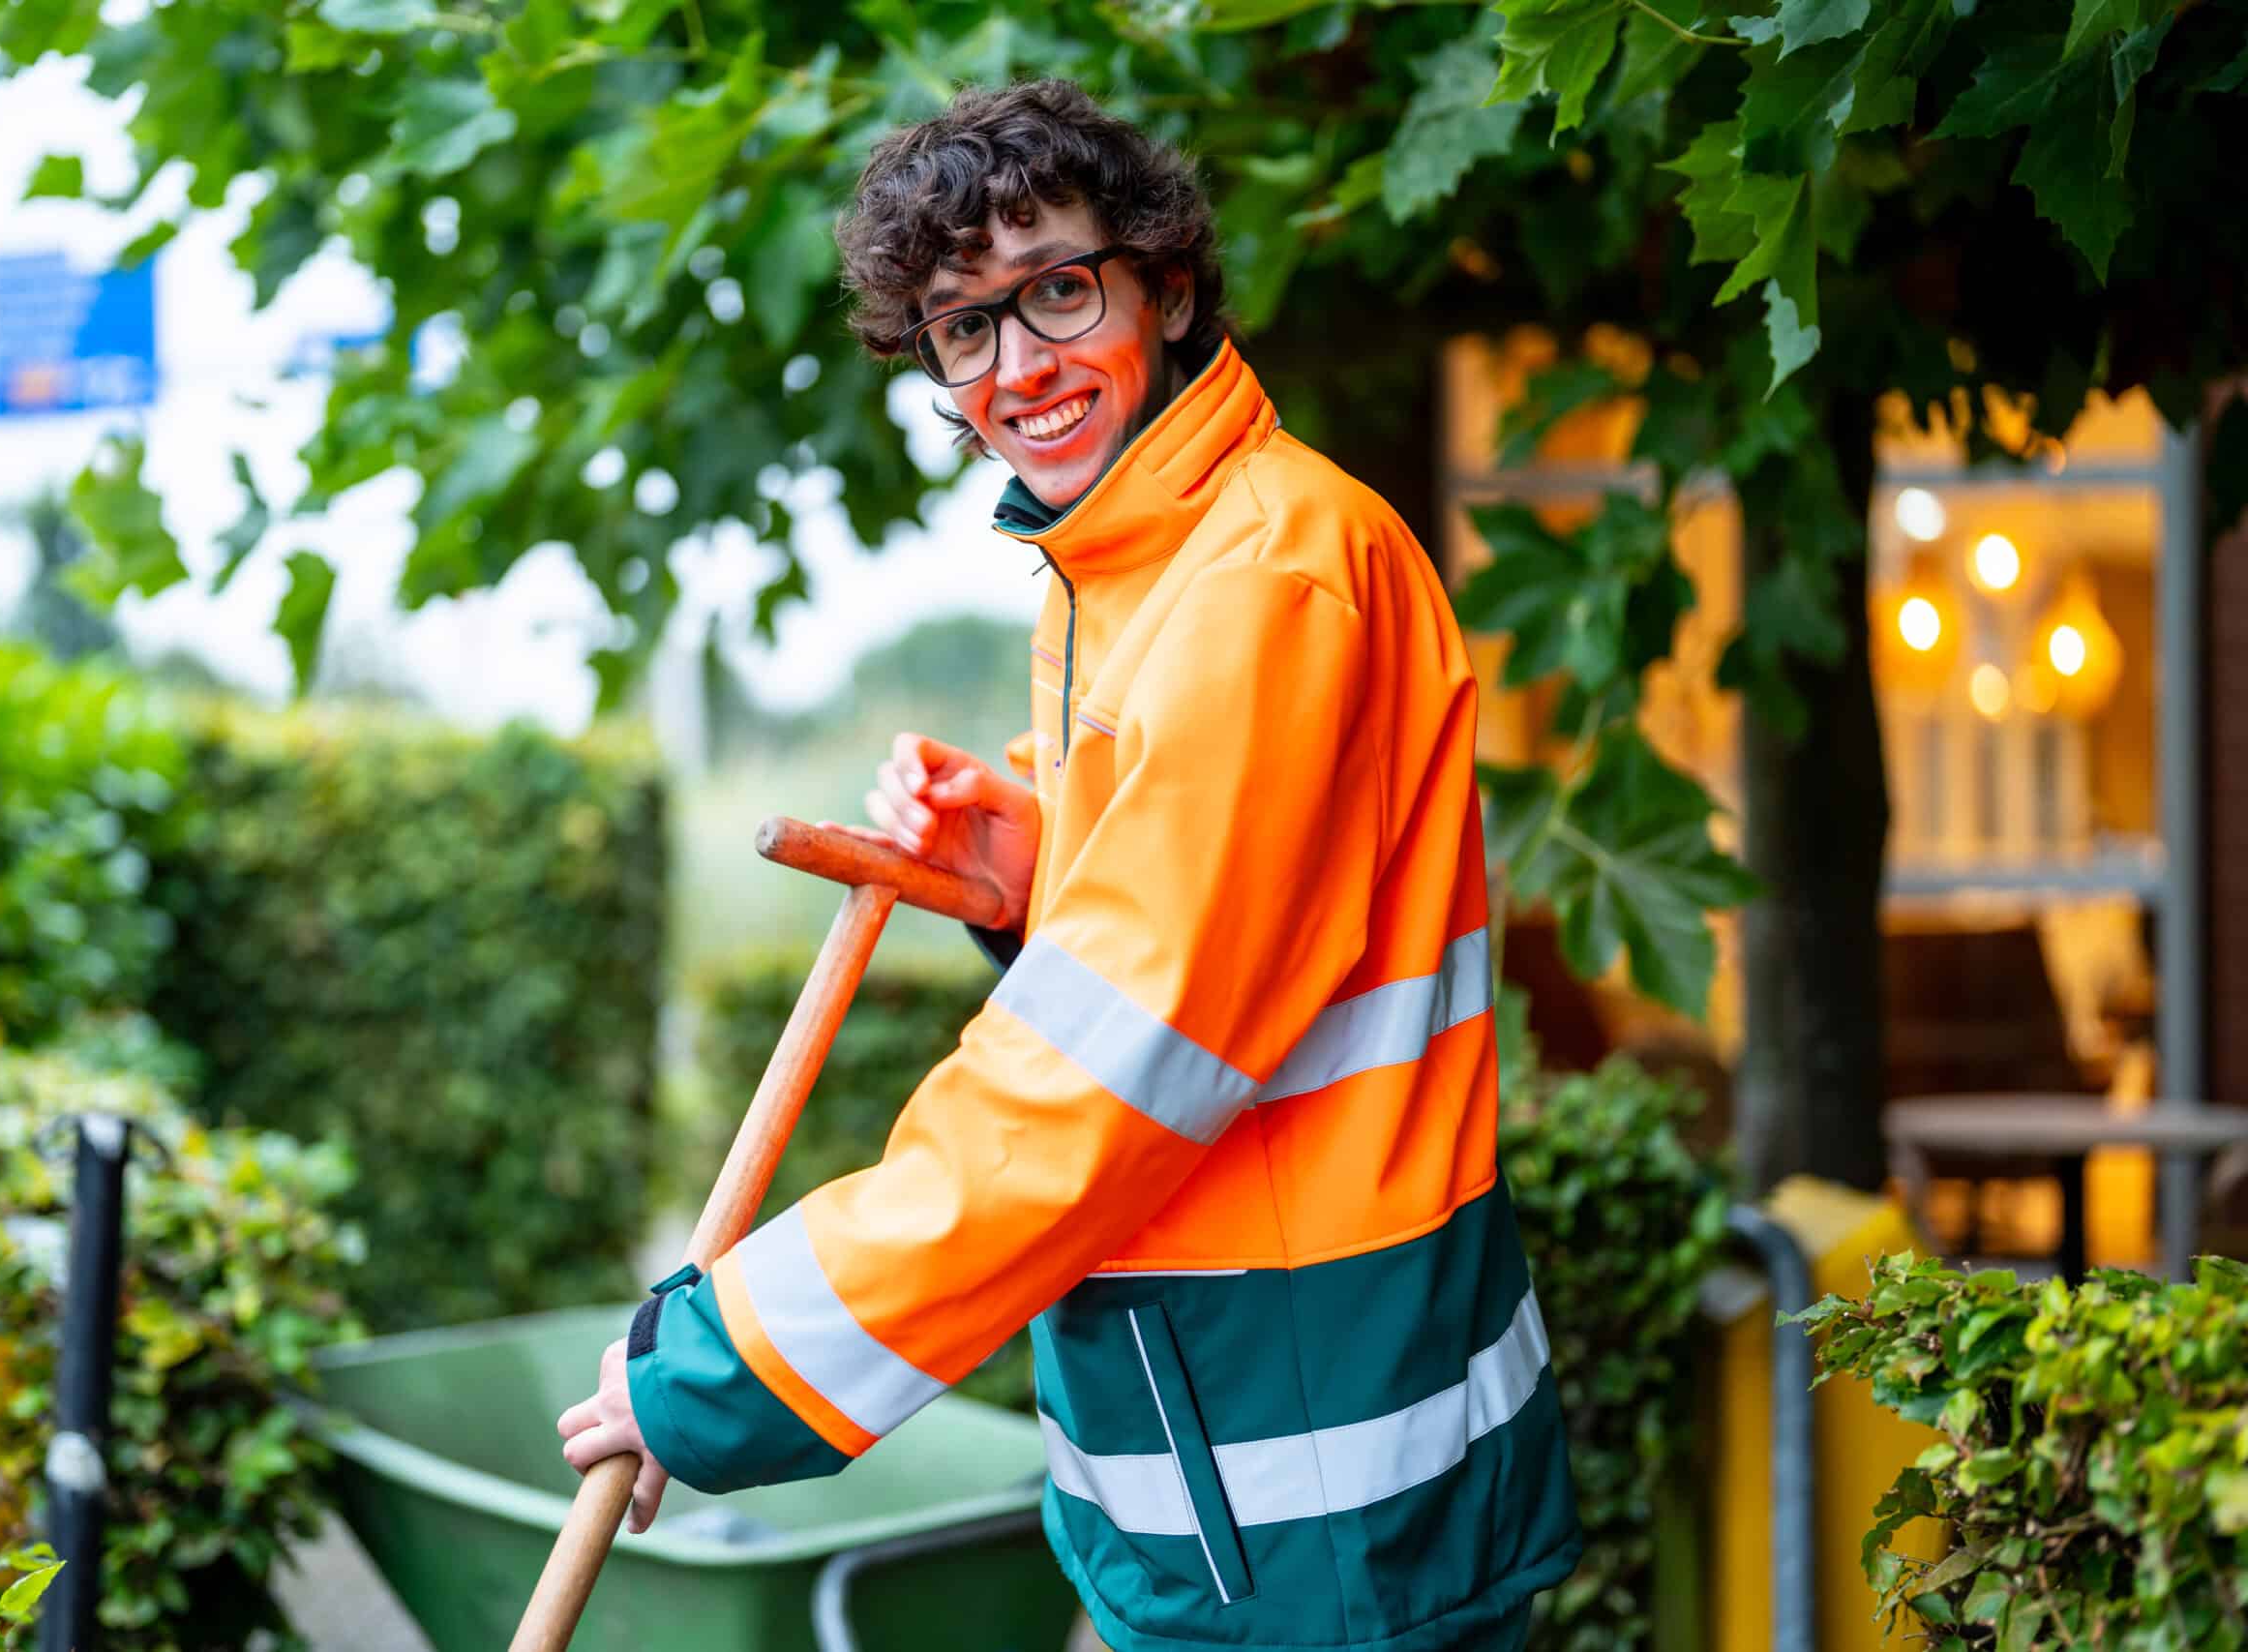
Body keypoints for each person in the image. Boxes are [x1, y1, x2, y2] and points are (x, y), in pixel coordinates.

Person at [557, 78, 1584, 1652]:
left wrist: (734, 1363)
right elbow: (1236, 923)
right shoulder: (1119, 560)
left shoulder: (1264, 583)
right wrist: (1038, 856)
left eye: (1056, 292)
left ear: (1164, 287)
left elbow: (1096, 1079)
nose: (1018, 367)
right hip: (1245, 1460)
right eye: (966, 327)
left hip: (1311, 1506)